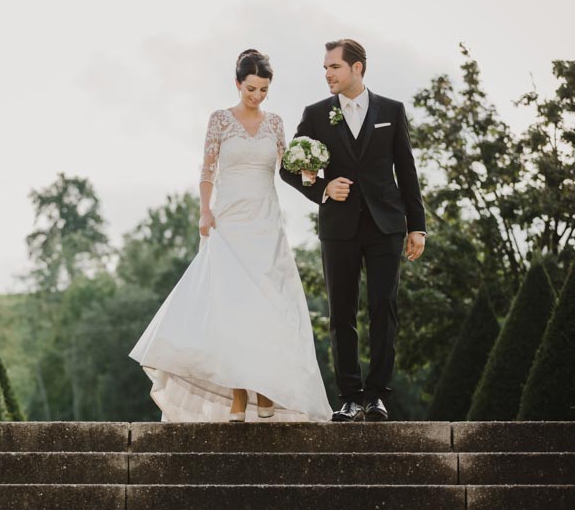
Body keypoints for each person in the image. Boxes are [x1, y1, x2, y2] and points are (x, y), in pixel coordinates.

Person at [129, 49, 333, 423]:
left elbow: (286, 168)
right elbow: (206, 171)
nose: (257, 96)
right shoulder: (220, 120)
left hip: (267, 223)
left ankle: (268, 387)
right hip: (230, 223)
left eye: (264, 90)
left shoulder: (275, 124)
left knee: (270, 307)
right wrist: (205, 210)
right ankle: (239, 393)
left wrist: (308, 172)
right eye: (251, 88)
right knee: (233, 308)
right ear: (237, 83)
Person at [279, 39, 426, 422]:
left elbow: (406, 170)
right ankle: (349, 396)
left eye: (334, 67)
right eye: (325, 68)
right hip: (339, 226)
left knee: (383, 307)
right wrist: (322, 188)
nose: (327, 74)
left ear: (357, 68)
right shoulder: (315, 114)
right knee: (341, 313)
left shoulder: (391, 111)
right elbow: (288, 167)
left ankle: (377, 395)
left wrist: (418, 227)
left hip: (386, 226)